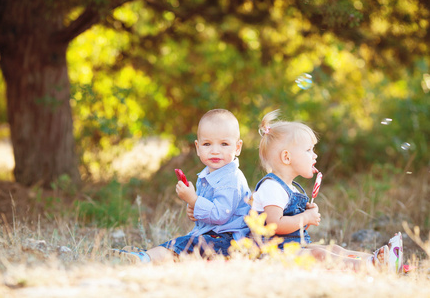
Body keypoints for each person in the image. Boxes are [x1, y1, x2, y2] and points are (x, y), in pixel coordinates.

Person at [251, 109, 403, 273]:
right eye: (309, 150)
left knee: (335, 250)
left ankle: (377, 259)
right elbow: (275, 226)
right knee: (319, 254)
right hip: (273, 253)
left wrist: (307, 220)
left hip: (292, 247)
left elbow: (294, 229)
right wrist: (305, 217)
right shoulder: (272, 187)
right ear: (287, 157)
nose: (314, 156)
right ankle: (370, 267)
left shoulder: (291, 188)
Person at [112, 109, 251, 263]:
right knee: (183, 245)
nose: (215, 150)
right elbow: (207, 212)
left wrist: (193, 200)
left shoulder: (232, 179)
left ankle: (144, 258)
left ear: (237, 147)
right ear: (198, 147)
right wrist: (193, 210)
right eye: (207, 144)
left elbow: (219, 215)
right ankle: (143, 256)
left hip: (229, 241)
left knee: (182, 245)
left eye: (224, 144)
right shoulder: (206, 175)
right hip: (213, 236)